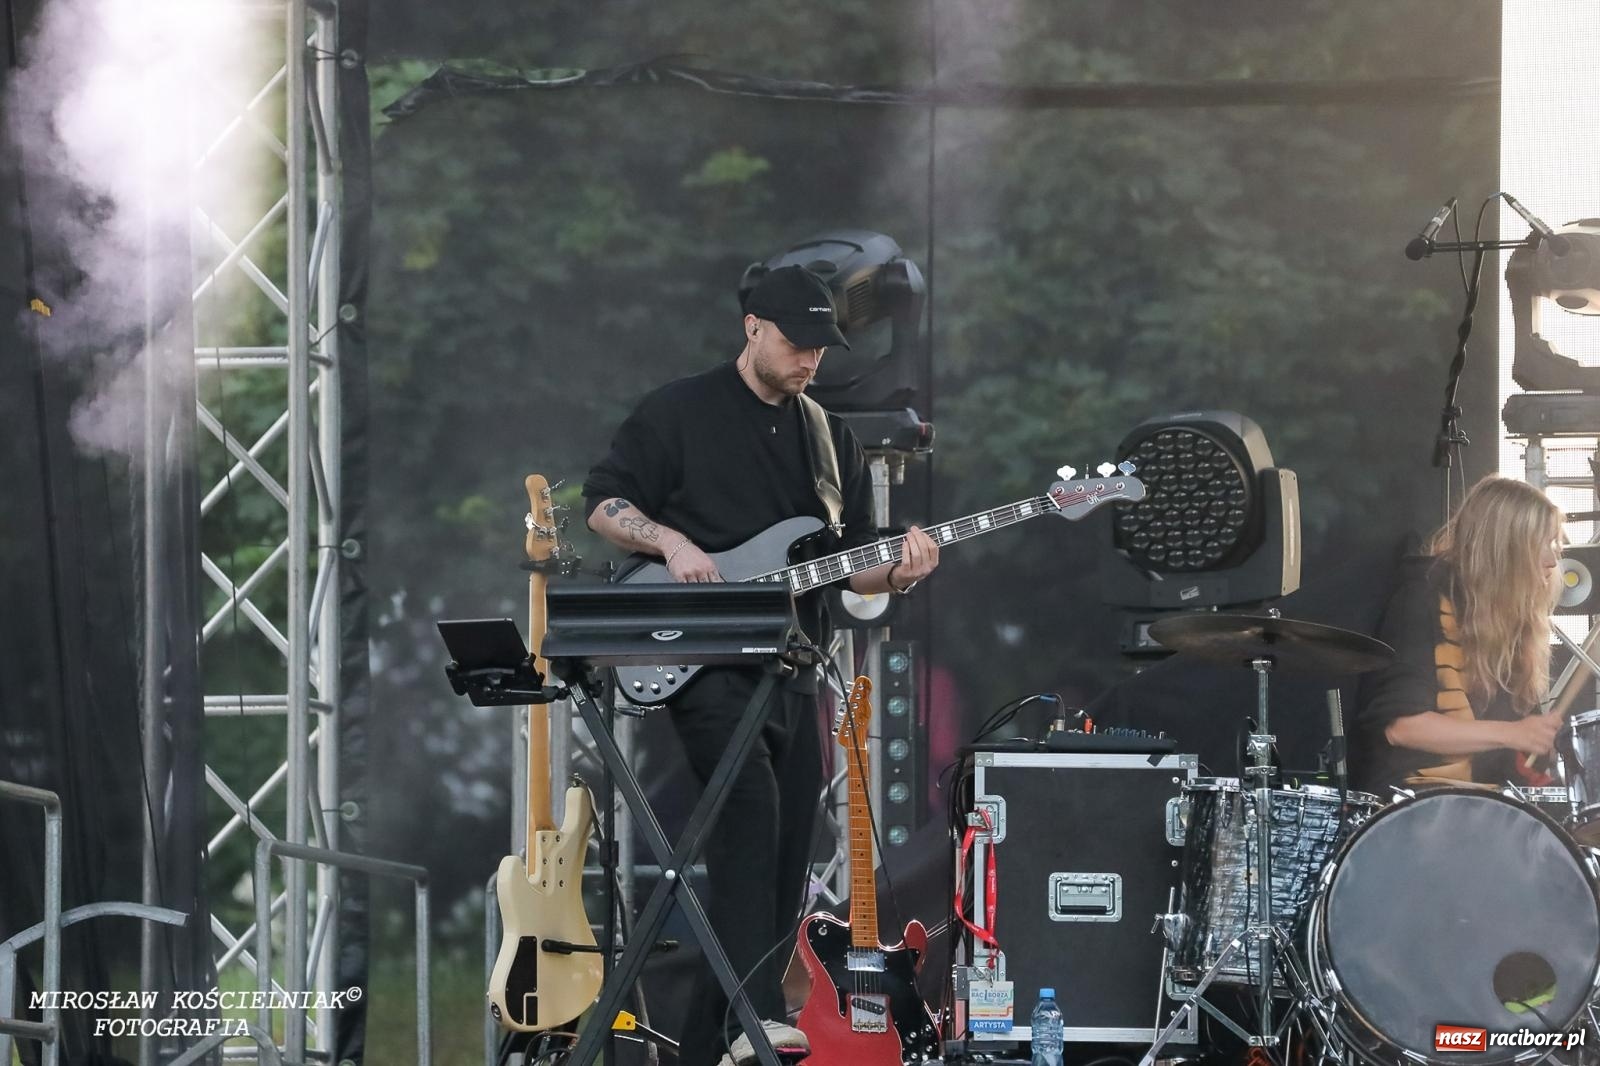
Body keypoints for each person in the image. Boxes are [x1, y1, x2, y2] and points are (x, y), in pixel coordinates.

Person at [582, 263, 941, 1066]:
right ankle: (753, 1010)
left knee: (789, 844)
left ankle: (715, 1039)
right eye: (796, 341)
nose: (810, 359)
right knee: (746, 811)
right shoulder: (679, 411)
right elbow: (603, 502)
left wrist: (903, 568)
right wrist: (672, 542)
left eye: (822, 346)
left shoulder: (828, 436)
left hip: (793, 663)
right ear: (752, 328)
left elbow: (853, 568)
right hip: (701, 660)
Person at [1351, 475, 1566, 794]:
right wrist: (1513, 733)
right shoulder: (1421, 600)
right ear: (1503, 550)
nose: (1552, 561)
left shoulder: (1511, 625)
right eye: (1541, 545)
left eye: (1554, 545)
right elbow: (1403, 728)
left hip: (1482, 811)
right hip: (1410, 811)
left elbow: (1512, 752)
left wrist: (1534, 759)